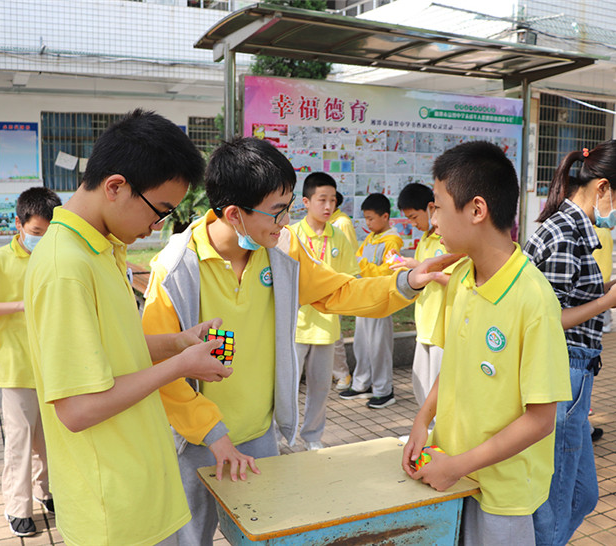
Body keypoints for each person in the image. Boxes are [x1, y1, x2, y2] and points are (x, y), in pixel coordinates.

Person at [141, 137, 457, 546]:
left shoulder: (281, 251)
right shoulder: (175, 270)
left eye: (289, 207)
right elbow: (161, 371)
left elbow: (339, 291)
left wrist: (406, 282)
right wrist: (214, 435)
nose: (286, 221)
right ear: (234, 214)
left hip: (258, 433)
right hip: (194, 441)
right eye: (277, 211)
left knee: (262, 534)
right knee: (187, 538)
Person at [23, 109, 233, 546]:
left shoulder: (101, 248)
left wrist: (178, 343)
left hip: (140, 492)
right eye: (159, 211)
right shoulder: (66, 266)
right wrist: (180, 367)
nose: (156, 227)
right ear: (116, 186)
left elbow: (112, 348)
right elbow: (77, 410)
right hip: (113, 513)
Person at [403, 141, 572, 546]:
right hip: (453, 470)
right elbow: (456, 366)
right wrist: (422, 422)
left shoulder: (533, 299)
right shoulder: (461, 277)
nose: (433, 219)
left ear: (477, 210)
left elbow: (540, 419)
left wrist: (459, 465)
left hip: (503, 493)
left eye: (438, 206)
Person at [523, 140, 616, 546]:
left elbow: (564, 295)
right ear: (602, 188)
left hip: (575, 375)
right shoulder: (566, 233)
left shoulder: (572, 227)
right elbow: (548, 321)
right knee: (558, 501)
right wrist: (608, 301)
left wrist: (614, 287)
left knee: (582, 495)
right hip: (562, 374)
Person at [0, 187, 61, 537]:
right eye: (36, 233)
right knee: (21, 438)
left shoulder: (54, 256)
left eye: (48, 234)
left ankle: (45, 490)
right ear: (18, 224)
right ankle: (17, 506)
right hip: (17, 365)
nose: (41, 239)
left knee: (48, 437)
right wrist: (20, 306)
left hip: (52, 363)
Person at [291, 172, 360, 450]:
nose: (328, 206)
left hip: (326, 326)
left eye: (332, 200)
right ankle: (276, 436)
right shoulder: (291, 235)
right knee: (286, 386)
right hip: (294, 325)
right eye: (322, 199)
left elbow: (350, 277)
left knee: (320, 389)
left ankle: (312, 437)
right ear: (306, 202)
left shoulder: (339, 237)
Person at [397, 183, 460, 428]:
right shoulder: (424, 239)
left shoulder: (447, 240)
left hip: (441, 327)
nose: (413, 223)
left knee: (438, 388)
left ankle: (438, 434)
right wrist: (415, 266)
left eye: (414, 216)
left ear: (431, 208)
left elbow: (457, 280)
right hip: (424, 324)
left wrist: (429, 274)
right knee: (421, 383)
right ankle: (428, 431)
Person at [339, 193, 403, 409]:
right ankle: (361, 384)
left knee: (378, 347)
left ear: (385, 216)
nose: (367, 223)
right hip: (363, 298)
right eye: (365, 218)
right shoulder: (371, 237)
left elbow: (387, 271)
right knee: (361, 344)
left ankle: (384, 390)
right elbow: (358, 260)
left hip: (381, 300)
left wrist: (361, 264)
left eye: (371, 218)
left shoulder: (391, 241)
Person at [328, 191, 358, 390]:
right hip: (320, 285)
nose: (325, 206)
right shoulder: (324, 223)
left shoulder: (342, 223)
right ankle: (334, 372)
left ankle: (343, 375)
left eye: (329, 201)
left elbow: (350, 254)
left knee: (334, 333)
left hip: (335, 286)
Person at [592, 225, 614, 334]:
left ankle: (605, 323)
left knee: (600, 300)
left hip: (599, 273)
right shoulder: (603, 231)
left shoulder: (599, 232)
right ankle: (606, 322)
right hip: (603, 272)